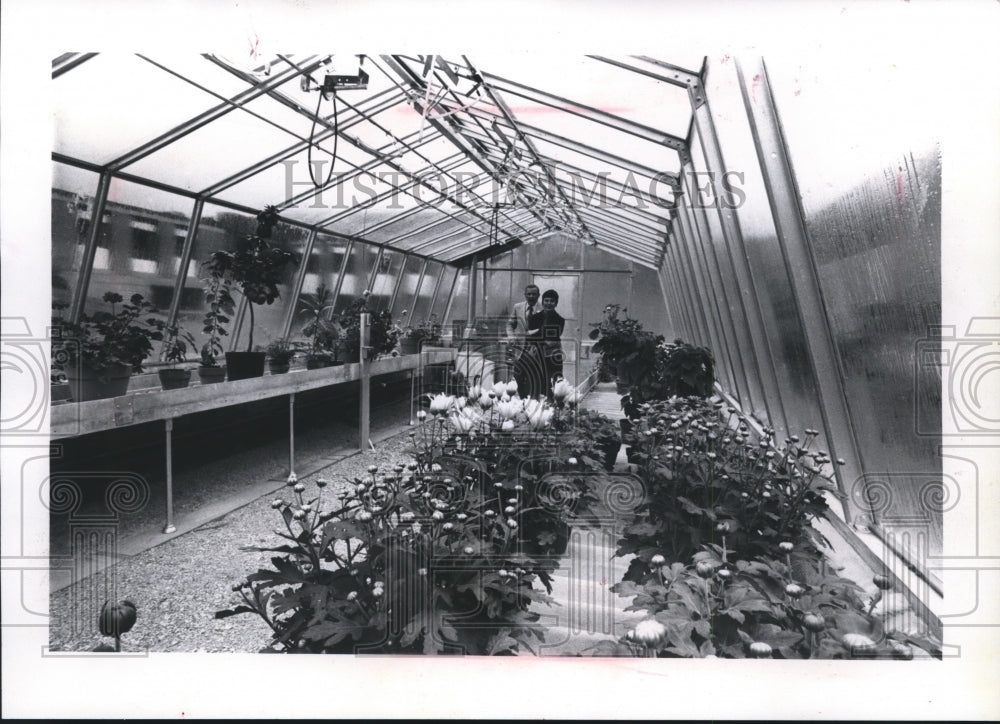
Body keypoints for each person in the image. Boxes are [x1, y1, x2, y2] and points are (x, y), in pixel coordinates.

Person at [526, 289, 565, 400]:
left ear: (556, 303)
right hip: (537, 354)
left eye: (551, 301)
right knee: (537, 380)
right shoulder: (534, 318)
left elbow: (553, 336)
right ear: (542, 302)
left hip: (553, 356)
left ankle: (553, 405)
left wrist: (538, 333)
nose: (548, 303)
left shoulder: (560, 320)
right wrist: (540, 334)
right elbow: (530, 335)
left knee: (555, 380)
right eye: (546, 300)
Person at [507, 283, 541, 395]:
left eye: (534, 294)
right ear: (525, 295)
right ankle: (522, 402)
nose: (531, 296)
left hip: (535, 350)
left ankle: (534, 403)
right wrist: (511, 337)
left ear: (538, 295)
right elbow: (510, 324)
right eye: (529, 294)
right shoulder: (518, 307)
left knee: (534, 379)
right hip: (519, 350)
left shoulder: (543, 309)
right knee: (518, 378)